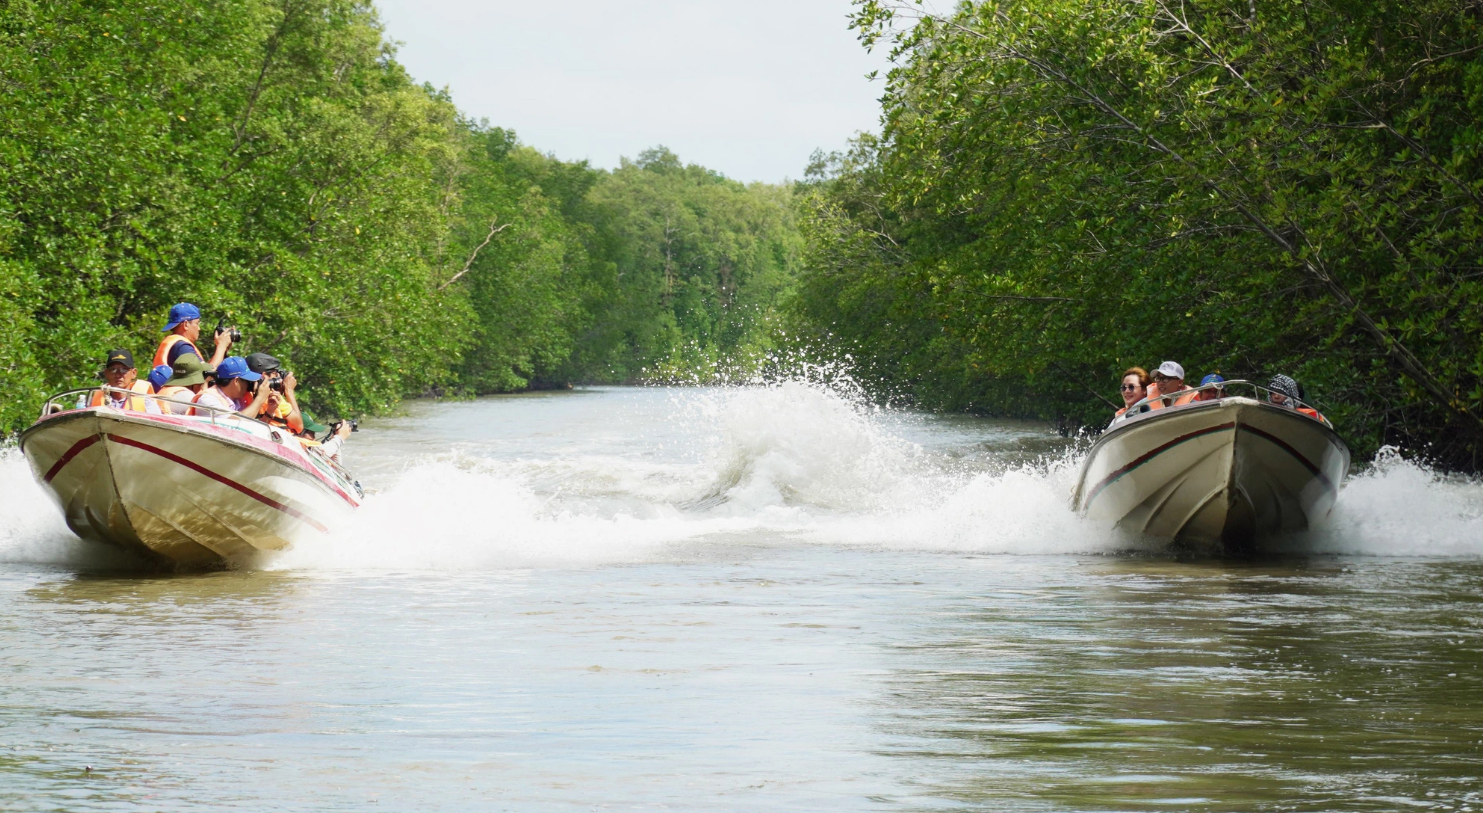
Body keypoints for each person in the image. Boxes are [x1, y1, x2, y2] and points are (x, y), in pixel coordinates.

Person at [152, 302, 234, 369]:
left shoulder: (175, 343)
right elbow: (207, 373)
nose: (199, 328)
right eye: (197, 323)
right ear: (186, 324)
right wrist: (221, 346)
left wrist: (223, 350)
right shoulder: (182, 347)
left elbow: (204, 368)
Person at [192, 356, 270, 418]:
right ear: (236, 381)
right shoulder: (208, 400)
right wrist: (259, 399)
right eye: (247, 380)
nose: (248, 384)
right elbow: (236, 423)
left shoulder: (239, 400)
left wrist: (270, 412)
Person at [245, 353, 304, 433]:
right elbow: (299, 426)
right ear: (264, 375)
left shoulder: (243, 390)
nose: (278, 376)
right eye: (275, 372)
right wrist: (289, 391)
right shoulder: (271, 396)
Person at [87, 349, 162, 413]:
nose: (118, 375)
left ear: (133, 373)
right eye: (113, 370)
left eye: (124, 370)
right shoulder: (93, 401)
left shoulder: (146, 403)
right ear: (106, 373)